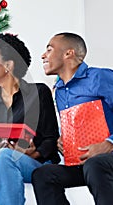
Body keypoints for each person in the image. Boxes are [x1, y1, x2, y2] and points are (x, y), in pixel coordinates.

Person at [0, 33, 60, 205]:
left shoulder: (39, 92)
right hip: (0, 158)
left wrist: (34, 153)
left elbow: (51, 138)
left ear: (8, 65)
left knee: (5, 156)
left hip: (36, 162)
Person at [31, 32, 113, 205]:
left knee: (95, 165)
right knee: (43, 174)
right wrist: (64, 139)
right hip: (82, 162)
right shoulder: (59, 90)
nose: (43, 56)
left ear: (68, 53)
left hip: (106, 160)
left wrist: (110, 143)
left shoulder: (99, 77)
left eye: (49, 49)